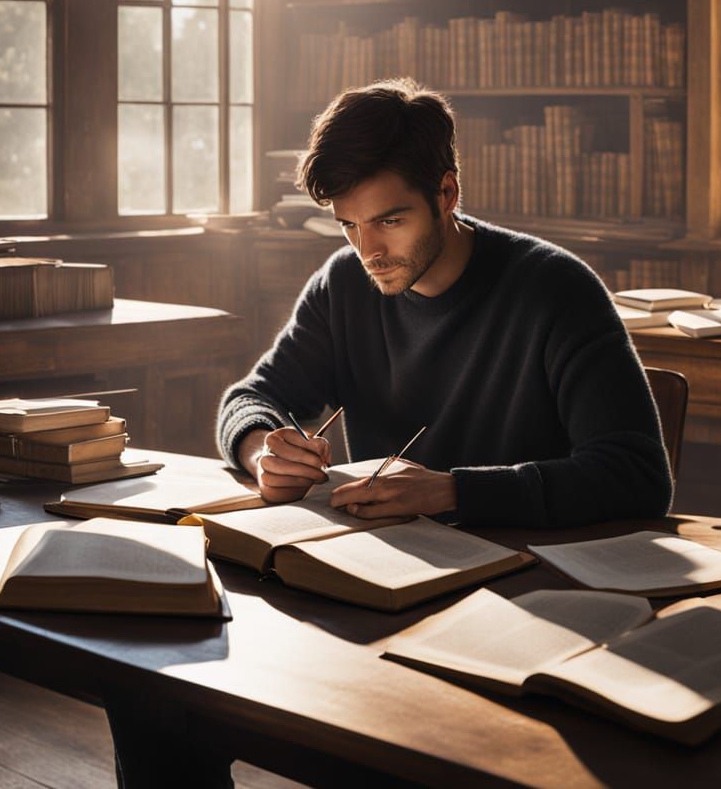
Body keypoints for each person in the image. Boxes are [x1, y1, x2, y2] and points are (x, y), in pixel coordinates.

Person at [217, 78, 673, 527]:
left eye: (389, 221)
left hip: (533, 575)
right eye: (349, 225)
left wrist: (450, 492)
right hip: (390, 570)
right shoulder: (343, 284)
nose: (368, 251)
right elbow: (251, 398)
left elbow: (638, 476)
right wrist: (263, 454)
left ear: (447, 194)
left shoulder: (557, 289)